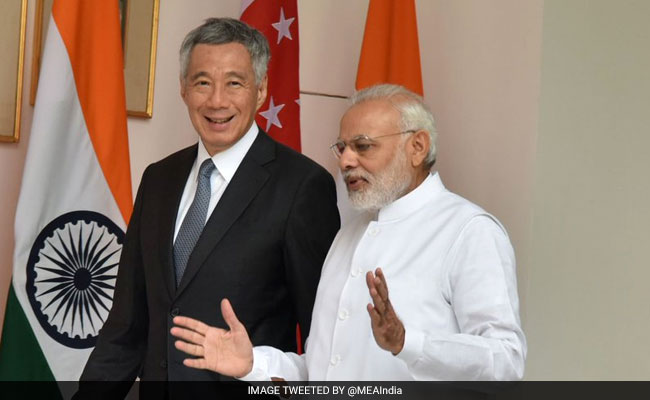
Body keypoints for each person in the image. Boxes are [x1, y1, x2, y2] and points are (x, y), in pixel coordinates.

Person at [171, 84, 526, 381]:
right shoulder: (351, 232)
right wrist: (255, 365)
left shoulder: (468, 231)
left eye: (363, 146)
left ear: (417, 147)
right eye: (342, 147)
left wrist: (408, 342)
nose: (345, 161)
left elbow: (506, 362)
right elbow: (322, 371)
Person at [78, 17, 340, 391]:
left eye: (235, 83)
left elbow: (324, 338)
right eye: (203, 82)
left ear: (261, 90)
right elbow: (126, 326)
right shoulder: (158, 179)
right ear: (184, 89)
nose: (217, 101)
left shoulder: (302, 187)